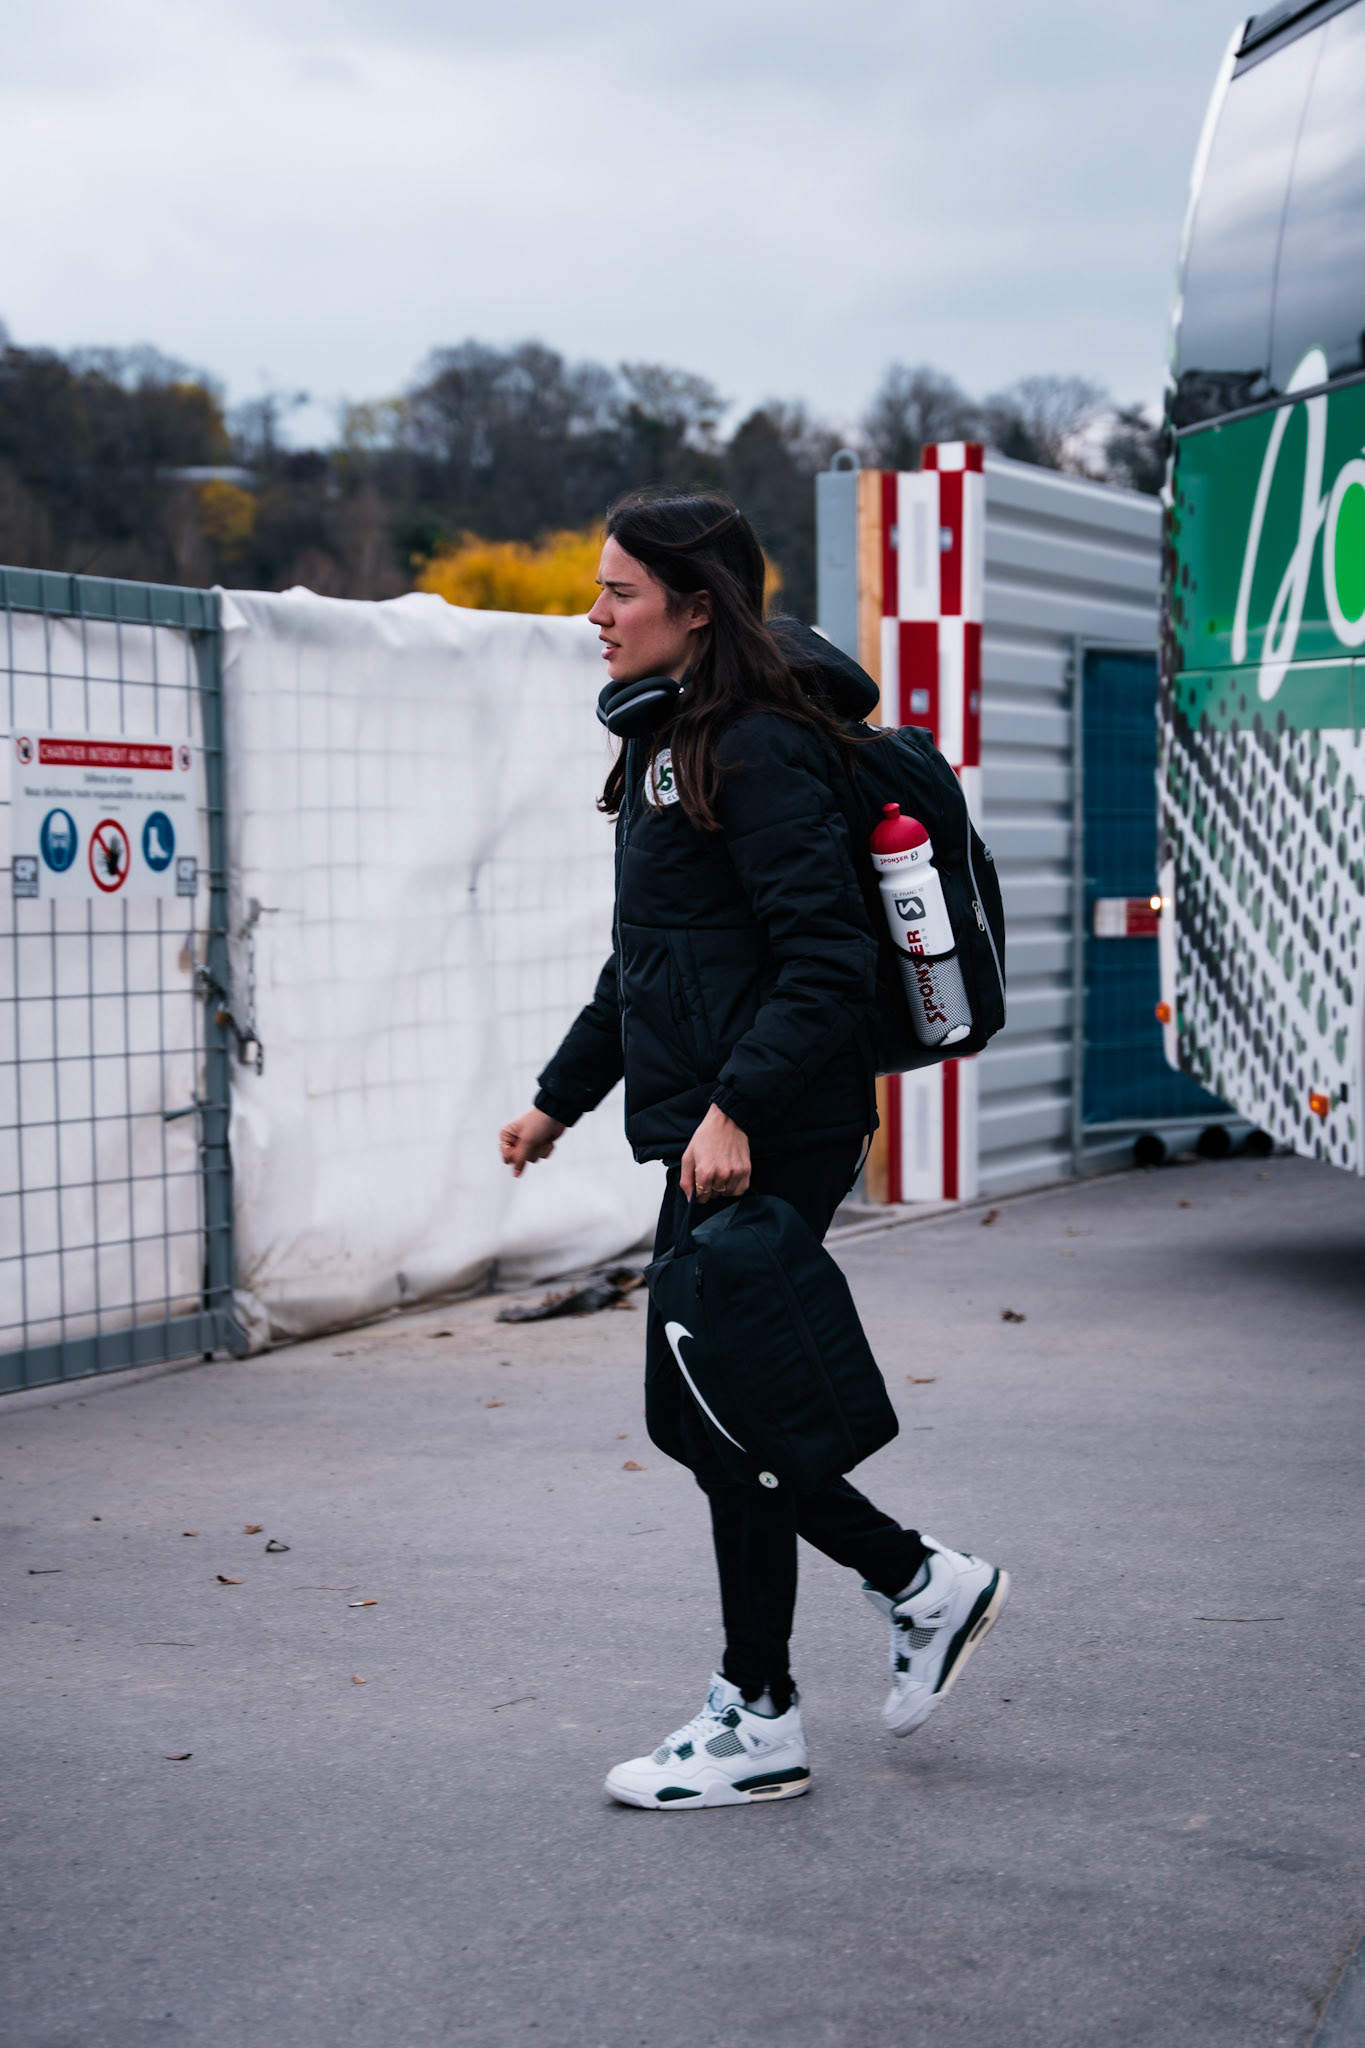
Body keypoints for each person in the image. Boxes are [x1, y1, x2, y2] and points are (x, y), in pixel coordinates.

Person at [499, 492, 1008, 1809]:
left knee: (721, 1410)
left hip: (769, 1126)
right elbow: (649, 961)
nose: (594, 613)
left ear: (695, 605)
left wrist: (733, 1109)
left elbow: (826, 958)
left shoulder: (759, 747)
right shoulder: (665, 741)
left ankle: (784, 1690)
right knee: (716, 1411)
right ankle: (882, 1608)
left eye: (619, 592)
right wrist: (558, 1102)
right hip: (719, 1127)